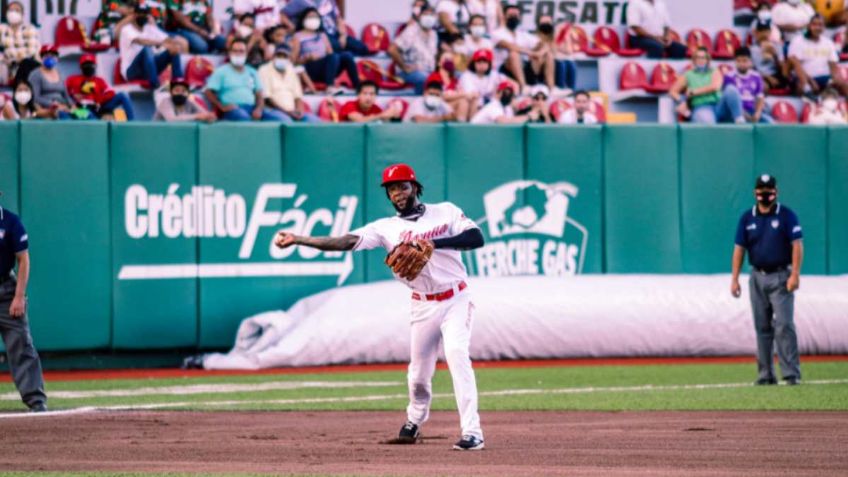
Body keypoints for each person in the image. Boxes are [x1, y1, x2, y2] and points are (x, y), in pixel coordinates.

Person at [273, 163, 486, 451]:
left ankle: (472, 433)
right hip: (422, 306)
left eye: (403, 186)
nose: (398, 192)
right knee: (418, 376)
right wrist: (300, 239)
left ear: (415, 187)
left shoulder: (446, 211)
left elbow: (476, 237)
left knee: (457, 354)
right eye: (392, 188)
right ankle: (413, 421)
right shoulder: (385, 229)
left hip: (455, 298)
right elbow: (344, 241)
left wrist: (433, 242)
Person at [731, 174, 803, 387]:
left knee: (783, 325)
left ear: (776, 192)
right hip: (757, 276)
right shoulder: (747, 218)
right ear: (755, 192)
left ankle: (791, 373)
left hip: (781, 275)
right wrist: (734, 278)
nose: (765, 194)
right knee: (762, 326)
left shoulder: (786, 215)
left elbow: (797, 245)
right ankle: (765, 374)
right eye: (761, 190)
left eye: (769, 190)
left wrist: (795, 274)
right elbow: (739, 249)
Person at [0, 198, 47, 412]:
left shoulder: (10, 222)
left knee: (21, 345)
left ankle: (36, 400)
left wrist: (18, 297)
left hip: (6, 290)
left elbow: (23, 260)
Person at [204, 38, 287, 121]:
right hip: (233, 109)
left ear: (246, 54)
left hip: (252, 108)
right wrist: (221, 107)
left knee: (282, 118)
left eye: (241, 51)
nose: (238, 54)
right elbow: (208, 92)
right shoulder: (221, 71)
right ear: (230, 53)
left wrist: (258, 109)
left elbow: (259, 95)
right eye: (235, 51)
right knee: (244, 118)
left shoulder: (252, 72)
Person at [292, 7, 360, 94]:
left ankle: (358, 86)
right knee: (334, 56)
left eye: (315, 17)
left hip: (325, 69)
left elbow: (330, 53)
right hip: (309, 69)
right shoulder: (298, 36)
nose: (313, 20)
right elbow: (293, 60)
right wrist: (306, 58)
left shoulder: (322, 35)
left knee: (347, 55)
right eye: (310, 17)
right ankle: (330, 87)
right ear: (303, 19)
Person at [669, 47, 745, 124]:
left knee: (730, 89)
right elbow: (673, 91)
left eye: (703, 57)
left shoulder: (714, 71)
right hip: (701, 107)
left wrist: (693, 92)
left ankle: (739, 120)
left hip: (719, 105)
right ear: (694, 60)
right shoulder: (688, 74)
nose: (700, 60)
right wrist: (682, 100)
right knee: (708, 123)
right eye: (698, 57)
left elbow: (715, 87)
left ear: (707, 60)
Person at [119, 3, 184, 90]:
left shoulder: (149, 27)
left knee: (174, 50)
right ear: (134, 15)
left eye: (145, 13)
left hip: (148, 68)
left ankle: (178, 83)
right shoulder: (126, 29)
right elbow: (141, 41)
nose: (142, 15)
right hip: (131, 71)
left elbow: (166, 38)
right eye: (139, 13)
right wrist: (161, 43)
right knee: (146, 49)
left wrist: (173, 45)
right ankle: (155, 84)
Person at [492, 5, 550, 92]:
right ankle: (524, 87)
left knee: (548, 55)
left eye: (516, 15)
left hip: (523, 67)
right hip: (504, 69)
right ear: (504, 16)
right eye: (511, 15)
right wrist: (532, 53)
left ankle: (551, 88)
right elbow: (511, 47)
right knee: (514, 54)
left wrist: (540, 53)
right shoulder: (497, 33)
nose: (514, 17)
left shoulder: (522, 34)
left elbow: (544, 45)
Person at [28, 45, 94, 120]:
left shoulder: (60, 74)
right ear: (41, 58)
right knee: (66, 119)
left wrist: (72, 105)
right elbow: (35, 97)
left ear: (57, 58)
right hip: (49, 109)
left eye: (52, 55)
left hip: (64, 106)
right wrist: (54, 104)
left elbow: (66, 95)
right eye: (46, 56)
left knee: (89, 115)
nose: (50, 58)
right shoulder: (36, 74)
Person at [282, 0, 370, 56]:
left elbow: (338, 18)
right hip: (319, 34)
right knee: (336, 47)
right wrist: (291, 26)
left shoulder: (328, 1)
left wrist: (342, 35)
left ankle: (346, 55)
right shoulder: (299, 2)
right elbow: (282, 14)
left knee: (363, 48)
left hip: (336, 33)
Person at [258, 44, 321, 123]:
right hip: (272, 110)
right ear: (274, 56)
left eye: (285, 56)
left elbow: (298, 96)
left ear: (289, 59)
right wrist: (287, 113)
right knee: (287, 121)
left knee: (315, 121)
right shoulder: (264, 69)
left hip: (291, 111)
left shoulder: (291, 70)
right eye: (279, 56)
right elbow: (267, 99)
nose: (281, 59)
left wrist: (299, 111)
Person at [788, 15, 848, 96]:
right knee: (803, 86)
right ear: (809, 26)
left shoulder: (828, 42)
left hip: (823, 77)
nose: (817, 27)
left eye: (820, 25)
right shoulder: (798, 41)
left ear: (824, 27)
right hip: (803, 77)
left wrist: (836, 81)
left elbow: (833, 68)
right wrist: (810, 81)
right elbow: (796, 66)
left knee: (844, 85)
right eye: (814, 24)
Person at [66, 54, 136, 121]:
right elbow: (67, 93)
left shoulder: (99, 80)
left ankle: (132, 123)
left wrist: (98, 101)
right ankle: (98, 124)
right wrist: (74, 96)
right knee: (87, 114)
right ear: (81, 67)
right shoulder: (72, 79)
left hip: (100, 106)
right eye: (86, 65)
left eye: (91, 65)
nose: (89, 67)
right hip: (82, 108)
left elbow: (111, 93)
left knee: (122, 95)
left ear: (95, 66)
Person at [389, 2, 439, 95]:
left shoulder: (434, 34)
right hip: (410, 73)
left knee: (441, 82)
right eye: (425, 14)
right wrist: (404, 67)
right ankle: (420, 103)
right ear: (419, 16)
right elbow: (392, 49)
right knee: (425, 79)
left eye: (431, 15)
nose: (429, 17)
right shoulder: (411, 31)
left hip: (429, 71)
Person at [723, 47, 772, 123]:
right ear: (735, 62)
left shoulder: (756, 76)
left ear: (750, 61)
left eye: (745, 61)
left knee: (770, 122)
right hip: (735, 113)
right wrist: (743, 113)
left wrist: (758, 113)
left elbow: (760, 97)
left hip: (752, 111)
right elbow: (728, 100)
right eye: (738, 61)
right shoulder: (729, 76)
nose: (742, 64)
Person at [0, 1, 41, 85]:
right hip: (9, 69)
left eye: (16, 10)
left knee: (26, 63)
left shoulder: (30, 29)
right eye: (10, 10)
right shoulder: (2, 29)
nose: (13, 13)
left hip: (27, 67)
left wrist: (11, 60)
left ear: (22, 14)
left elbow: (30, 53)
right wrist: (4, 59)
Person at [430, 50, 475, 121]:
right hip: (435, 107)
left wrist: (466, 94)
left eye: (451, 59)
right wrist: (463, 94)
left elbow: (461, 92)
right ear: (439, 63)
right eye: (446, 59)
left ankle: (472, 126)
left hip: (450, 106)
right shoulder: (434, 77)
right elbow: (440, 96)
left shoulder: (454, 80)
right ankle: (461, 128)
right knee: (462, 101)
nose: (449, 62)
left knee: (471, 99)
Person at [535, 14, 573, 93]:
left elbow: (568, 51)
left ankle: (571, 90)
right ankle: (559, 87)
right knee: (560, 64)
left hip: (554, 59)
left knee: (570, 64)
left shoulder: (554, 35)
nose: (546, 24)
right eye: (543, 22)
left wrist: (564, 35)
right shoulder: (535, 36)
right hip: (541, 63)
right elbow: (547, 50)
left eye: (548, 22)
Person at [751, 19, 790, 90]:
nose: (764, 34)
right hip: (762, 76)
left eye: (766, 31)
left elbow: (781, 68)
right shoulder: (752, 49)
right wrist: (768, 78)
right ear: (756, 33)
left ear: (770, 32)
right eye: (761, 31)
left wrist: (775, 55)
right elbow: (752, 70)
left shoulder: (777, 46)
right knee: (763, 86)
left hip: (776, 74)